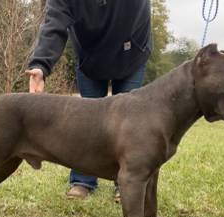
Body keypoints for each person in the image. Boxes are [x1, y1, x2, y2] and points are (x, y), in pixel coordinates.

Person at [26, 0, 152, 201]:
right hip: (90, 59)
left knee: (129, 124)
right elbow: (54, 25)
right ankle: (83, 181)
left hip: (131, 53)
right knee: (87, 123)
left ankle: (125, 182)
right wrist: (41, 65)